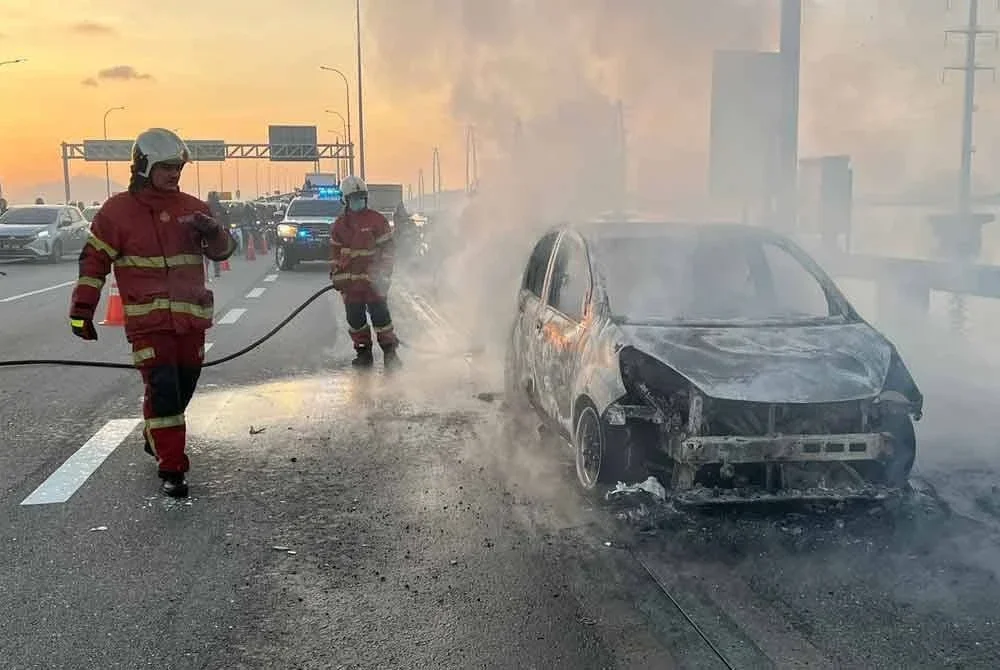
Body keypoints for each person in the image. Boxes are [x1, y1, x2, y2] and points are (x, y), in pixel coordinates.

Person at [68, 128, 236, 498]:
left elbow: (223, 252)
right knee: (164, 391)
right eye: (166, 167)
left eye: (178, 167)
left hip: (190, 323)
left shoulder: (193, 209)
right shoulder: (117, 213)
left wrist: (215, 232)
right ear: (143, 166)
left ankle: (155, 433)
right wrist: (82, 310)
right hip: (148, 326)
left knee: (185, 386)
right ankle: (172, 470)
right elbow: (94, 262)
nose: (174, 174)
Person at [330, 176, 401, 369]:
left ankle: (390, 354)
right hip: (352, 287)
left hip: (373, 283)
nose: (358, 201)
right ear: (345, 199)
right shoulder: (339, 226)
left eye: (361, 197)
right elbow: (336, 256)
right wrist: (337, 276)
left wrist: (384, 274)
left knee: (381, 319)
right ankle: (363, 354)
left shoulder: (377, 221)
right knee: (355, 320)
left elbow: (388, 250)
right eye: (354, 198)